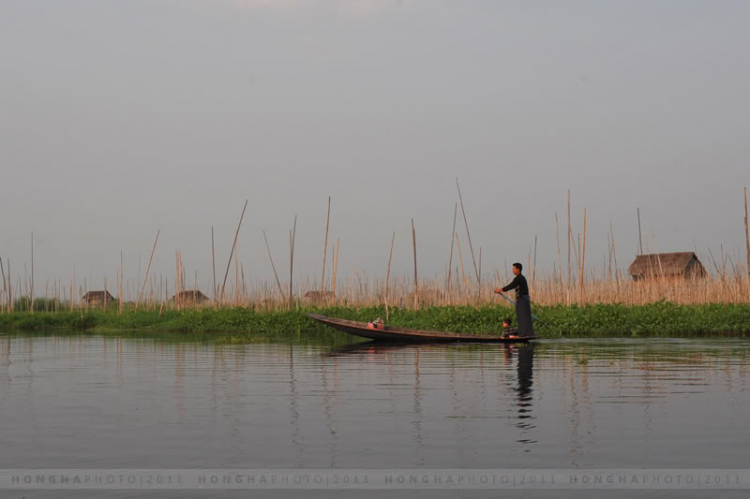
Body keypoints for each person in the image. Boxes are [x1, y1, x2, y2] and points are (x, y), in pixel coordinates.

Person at [494, 263, 534, 337]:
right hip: (524, 299)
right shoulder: (521, 278)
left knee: (522, 316)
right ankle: (527, 333)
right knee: (525, 316)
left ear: (518, 269)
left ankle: (523, 334)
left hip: (522, 300)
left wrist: (500, 289)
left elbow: (511, 286)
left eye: (514, 269)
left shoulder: (519, 278)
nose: (512, 270)